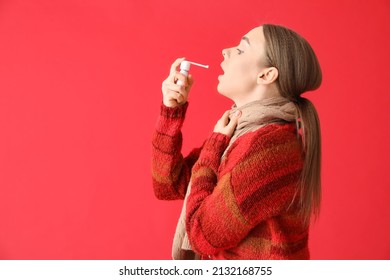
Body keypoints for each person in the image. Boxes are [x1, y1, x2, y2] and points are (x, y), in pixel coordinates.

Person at [151, 23, 322, 260]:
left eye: (241, 50)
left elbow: (203, 236)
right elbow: (168, 184)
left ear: (266, 75)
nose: (225, 51)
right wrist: (171, 110)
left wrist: (213, 146)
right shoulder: (241, 134)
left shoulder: (268, 146)